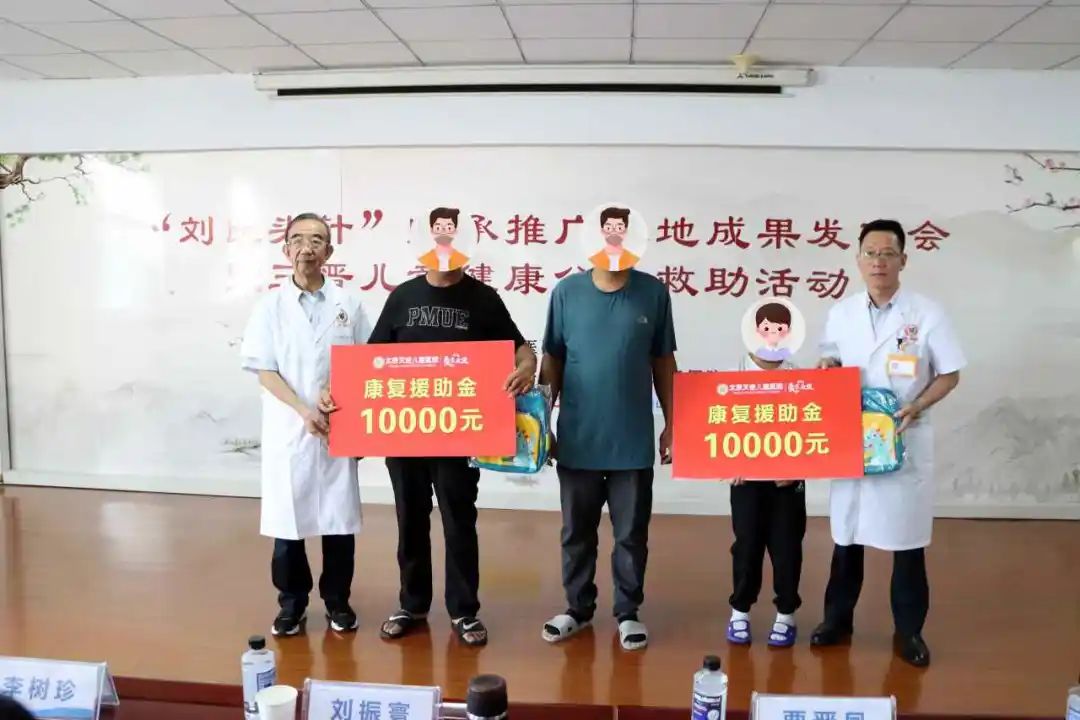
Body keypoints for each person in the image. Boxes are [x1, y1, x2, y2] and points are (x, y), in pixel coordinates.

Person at [811, 219, 965, 667]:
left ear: (903, 260)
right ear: (858, 260)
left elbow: (950, 373)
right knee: (846, 538)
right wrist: (826, 366)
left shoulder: (927, 314)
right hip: (851, 438)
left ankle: (909, 632)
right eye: (870, 253)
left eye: (887, 253)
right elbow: (830, 357)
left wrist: (918, 405)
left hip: (902, 434)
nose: (878, 262)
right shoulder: (842, 313)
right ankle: (836, 621)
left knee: (907, 543)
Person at [363, 258, 535, 647]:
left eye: (452, 234)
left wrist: (526, 367)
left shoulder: (483, 298)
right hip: (405, 433)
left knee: (459, 521)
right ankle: (411, 605)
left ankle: (464, 610)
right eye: (437, 234)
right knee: (410, 519)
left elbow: (522, 350)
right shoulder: (403, 296)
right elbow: (370, 361)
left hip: (460, 436)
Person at [240, 213, 371, 637]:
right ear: (286, 250)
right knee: (288, 523)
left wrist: (339, 395)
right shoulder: (269, 307)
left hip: (337, 425)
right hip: (290, 427)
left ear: (328, 252)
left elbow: (365, 362)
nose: (306, 248)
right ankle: (292, 604)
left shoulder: (348, 304)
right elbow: (264, 370)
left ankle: (338, 602)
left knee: (339, 522)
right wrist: (303, 409)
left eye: (316, 240)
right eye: (297, 240)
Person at [539, 264, 677, 651]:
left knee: (631, 533)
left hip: (632, 441)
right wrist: (540, 423)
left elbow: (663, 361)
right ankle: (577, 609)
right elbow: (552, 359)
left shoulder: (653, 292)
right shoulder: (567, 292)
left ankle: (628, 613)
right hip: (578, 438)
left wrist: (674, 422)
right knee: (576, 532)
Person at [726, 350, 806, 648]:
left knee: (787, 547)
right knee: (746, 546)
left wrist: (797, 468)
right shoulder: (733, 375)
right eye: (764, 331)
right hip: (746, 481)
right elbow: (719, 427)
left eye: (779, 330)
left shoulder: (800, 378)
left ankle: (786, 613)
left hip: (787, 482)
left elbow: (813, 428)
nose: (771, 335)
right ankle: (740, 610)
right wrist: (727, 462)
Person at [418, 207, 469, 272]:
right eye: (438, 228)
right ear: (431, 230)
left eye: (449, 228)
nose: (443, 232)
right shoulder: (425, 259)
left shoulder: (462, 259)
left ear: (455, 231)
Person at [588, 207, 640, 272]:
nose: (614, 232)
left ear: (626, 231)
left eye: (619, 228)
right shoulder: (595, 259)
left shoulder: (633, 259)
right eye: (609, 228)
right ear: (602, 231)